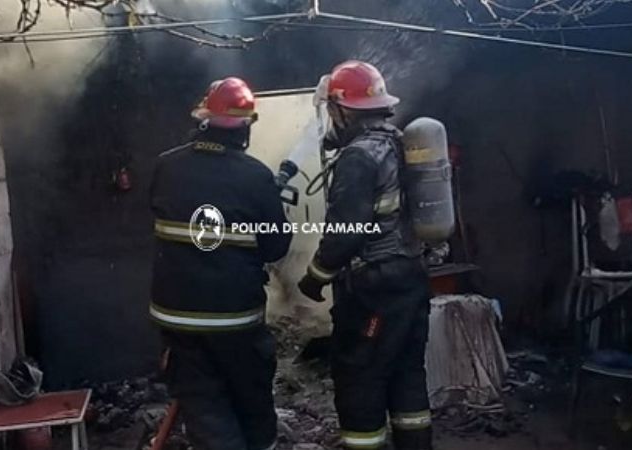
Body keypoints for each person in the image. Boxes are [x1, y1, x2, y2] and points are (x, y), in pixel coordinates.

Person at [150, 77, 292, 450]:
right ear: (244, 128)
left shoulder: (166, 167)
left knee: (205, 407)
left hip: (178, 319)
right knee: (251, 403)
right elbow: (276, 247)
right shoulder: (256, 175)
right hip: (235, 319)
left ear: (203, 119)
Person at [297, 61, 433, 450]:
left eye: (332, 111)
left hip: (375, 289)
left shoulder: (358, 157)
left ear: (342, 109)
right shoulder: (400, 142)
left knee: (361, 377)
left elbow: (346, 234)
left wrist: (315, 277)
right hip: (409, 276)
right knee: (407, 374)